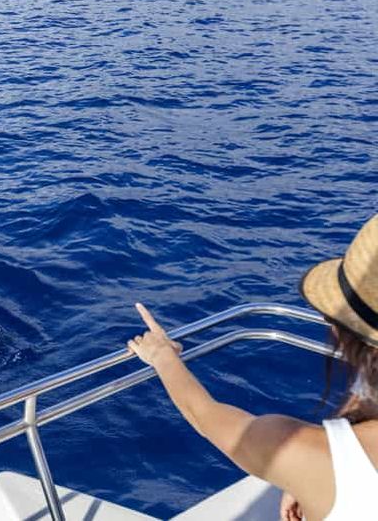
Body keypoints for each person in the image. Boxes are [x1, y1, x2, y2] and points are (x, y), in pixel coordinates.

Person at [127, 214, 378, 521]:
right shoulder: (313, 460)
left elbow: (204, 415)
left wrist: (162, 355)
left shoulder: (298, 450)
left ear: (345, 335)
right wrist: (311, 474)